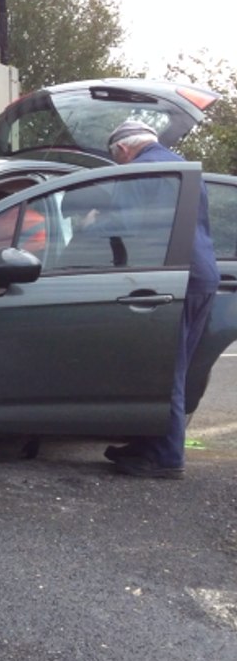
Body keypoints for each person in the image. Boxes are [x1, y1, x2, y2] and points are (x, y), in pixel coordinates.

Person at [103, 120, 220, 478]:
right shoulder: (179, 167)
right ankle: (149, 443)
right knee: (165, 367)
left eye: (116, 160)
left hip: (173, 278)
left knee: (165, 369)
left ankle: (166, 458)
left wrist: (91, 219)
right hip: (200, 273)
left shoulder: (139, 172)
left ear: (122, 150)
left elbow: (120, 226)